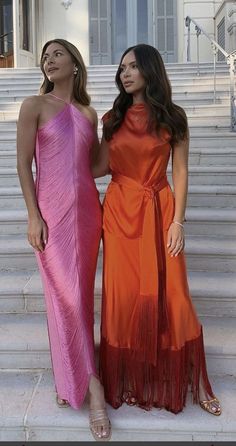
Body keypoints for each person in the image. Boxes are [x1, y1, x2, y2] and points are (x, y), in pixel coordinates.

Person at [92, 44, 221, 416]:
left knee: (174, 293)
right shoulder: (110, 119)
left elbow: (180, 171)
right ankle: (130, 376)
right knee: (125, 294)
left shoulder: (173, 118)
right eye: (121, 68)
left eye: (132, 66)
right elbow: (99, 167)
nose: (125, 73)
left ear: (150, 69)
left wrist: (178, 221)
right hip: (118, 214)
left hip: (160, 208)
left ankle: (193, 381)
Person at [17, 38, 111, 441]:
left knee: (79, 299)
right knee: (65, 298)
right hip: (51, 216)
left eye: (57, 54)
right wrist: (33, 214)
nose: (48, 60)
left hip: (89, 214)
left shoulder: (89, 113)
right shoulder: (33, 107)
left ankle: (68, 378)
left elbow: (96, 167)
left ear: (75, 63)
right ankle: (93, 388)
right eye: (45, 56)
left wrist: (117, 128)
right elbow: (23, 165)